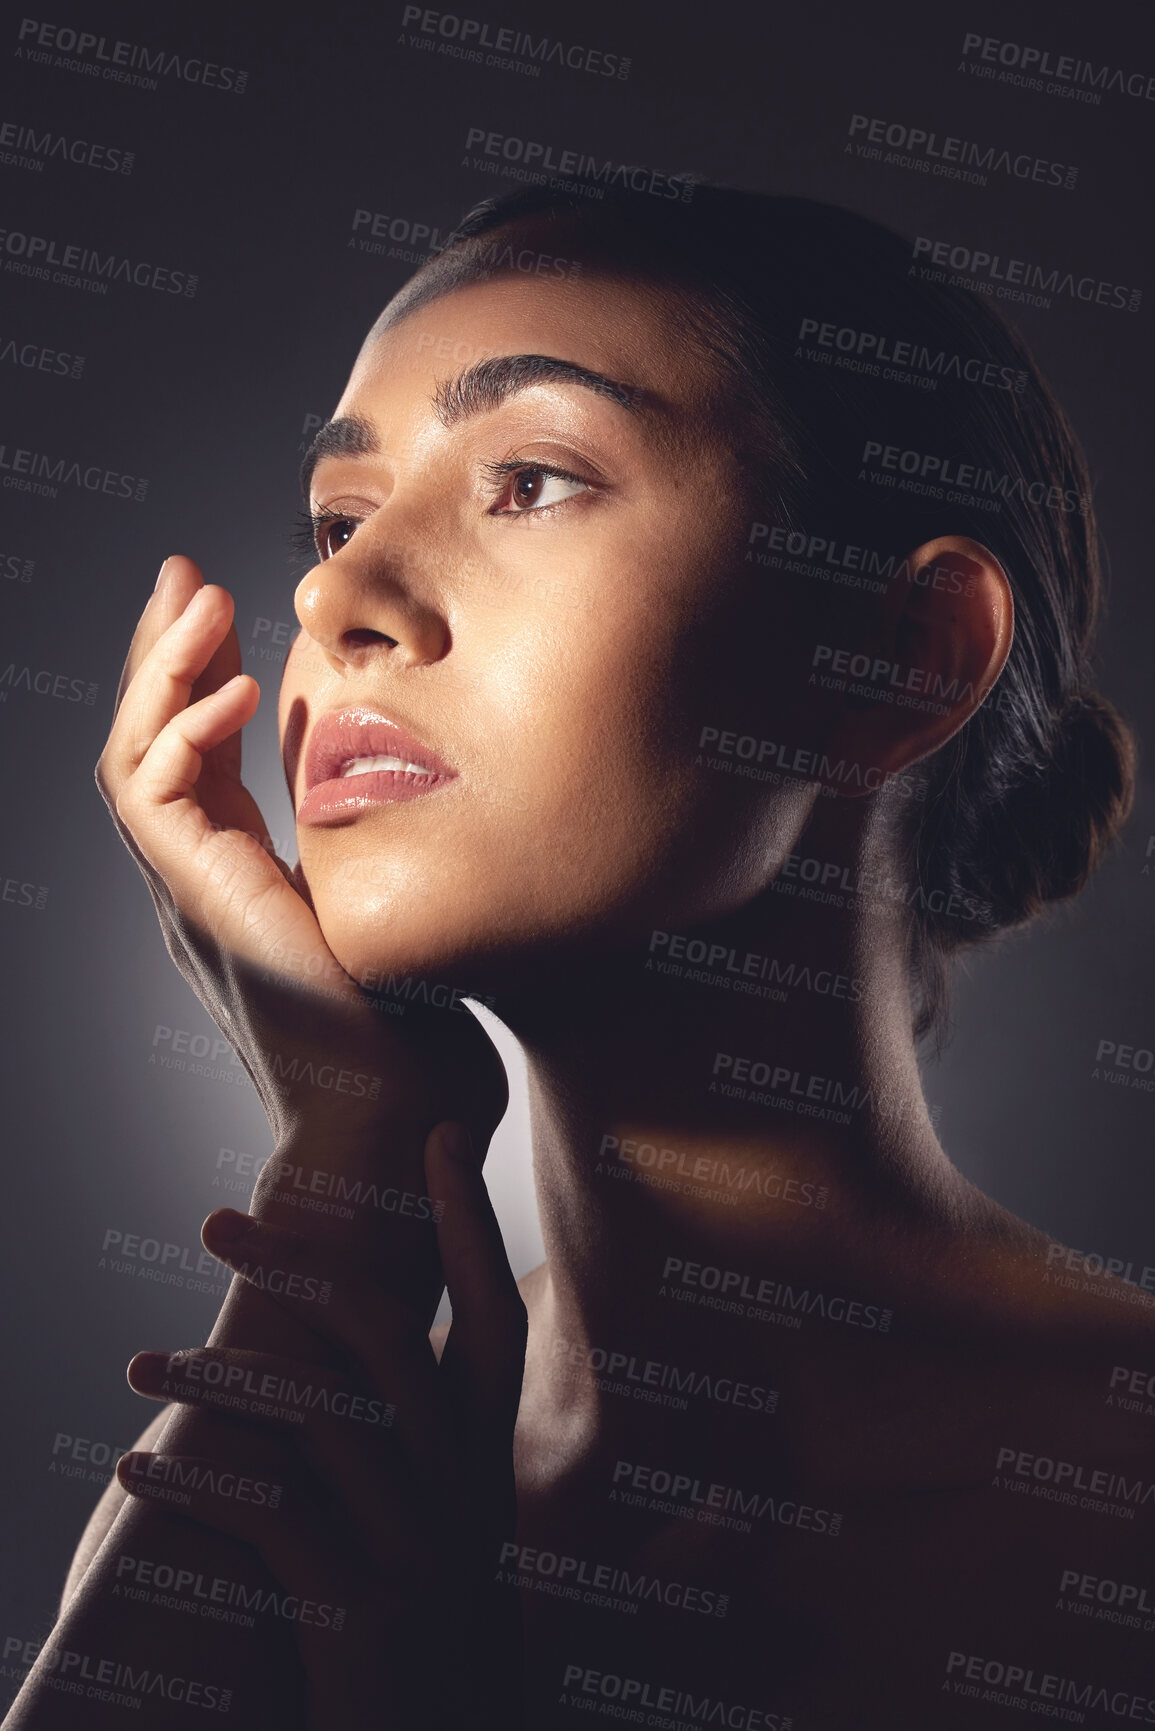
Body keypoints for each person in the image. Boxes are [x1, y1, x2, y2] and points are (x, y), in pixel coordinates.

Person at [7, 182, 1148, 1729]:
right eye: (340, 521)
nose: (337, 594)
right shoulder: (330, 1460)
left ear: (897, 662)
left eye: (530, 481)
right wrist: (345, 1165)